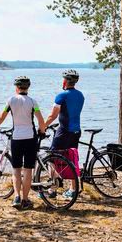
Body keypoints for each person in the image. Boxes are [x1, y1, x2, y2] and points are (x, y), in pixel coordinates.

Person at [0, 76, 46, 210]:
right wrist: (42, 131)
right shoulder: (33, 102)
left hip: (16, 139)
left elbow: (1, 116)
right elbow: (40, 120)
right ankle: (25, 200)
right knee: (27, 170)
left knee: (16, 170)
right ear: (28, 88)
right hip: (30, 138)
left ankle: (16, 197)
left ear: (17, 88)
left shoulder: (11, 101)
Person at [44, 69, 84, 199]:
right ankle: (73, 190)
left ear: (65, 81)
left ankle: (52, 189)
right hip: (76, 130)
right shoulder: (80, 95)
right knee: (72, 158)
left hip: (64, 131)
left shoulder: (62, 95)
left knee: (50, 157)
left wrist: (42, 126)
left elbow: (53, 115)